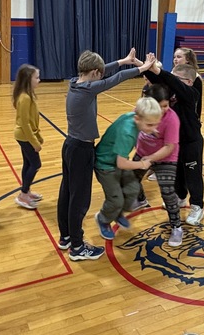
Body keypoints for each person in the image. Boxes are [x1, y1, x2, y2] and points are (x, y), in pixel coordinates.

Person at [58, 48, 155, 261]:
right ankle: (76, 247)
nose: (101, 74)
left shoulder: (75, 81)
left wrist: (123, 60)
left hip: (69, 146)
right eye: (99, 73)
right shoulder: (88, 90)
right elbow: (116, 78)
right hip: (81, 150)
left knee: (66, 193)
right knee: (79, 200)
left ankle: (65, 236)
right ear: (94, 73)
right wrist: (142, 68)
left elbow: (105, 71)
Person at [145, 60, 204, 225]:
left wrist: (160, 71)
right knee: (178, 173)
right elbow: (159, 81)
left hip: (191, 142)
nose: (172, 82)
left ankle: (198, 206)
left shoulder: (191, 93)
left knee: (193, 176)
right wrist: (146, 68)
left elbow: (170, 81)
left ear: (188, 82)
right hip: (176, 142)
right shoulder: (172, 90)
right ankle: (180, 197)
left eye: (176, 79)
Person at [93, 97, 160, 242]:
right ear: (137, 119)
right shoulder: (127, 132)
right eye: (149, 124)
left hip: (116, 162)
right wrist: (143, 164)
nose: (153, 128)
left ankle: (117, 214)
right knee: (115, 200)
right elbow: (122, 163)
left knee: (133, 189)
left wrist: (151, 129)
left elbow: (138, 111)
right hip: (105, 165)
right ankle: (103, 219)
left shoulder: (133, 117)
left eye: (155, 124)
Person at [135, 83, 183, 246]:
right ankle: (141, 200)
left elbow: (169, 147)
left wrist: (150, 159)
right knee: (129, 178)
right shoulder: (142, 112)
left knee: (168, 192)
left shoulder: (171, 119)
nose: (164, 109)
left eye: (166, 105)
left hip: (165, 158)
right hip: (143, 153)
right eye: (160, 106)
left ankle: (176, 227)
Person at [12, 63, 43, 210]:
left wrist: (38, 136)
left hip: (25, 135)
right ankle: (23, 194)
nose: (39, 80)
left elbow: (32, 120)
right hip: (24, 136)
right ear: (28, 80)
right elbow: (25, 124)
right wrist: (35, 142)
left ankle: (26, 191)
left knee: (28, 163)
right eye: (36, 78)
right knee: (36, 164)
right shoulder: (24, 98)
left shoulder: (28, 95)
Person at [173, 46, 203, 119]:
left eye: (179, 57)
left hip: (186, 115)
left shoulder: (195, 77)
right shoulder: (172, 72)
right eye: (174, 57)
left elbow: (197, 102)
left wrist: (197, 118)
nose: (175, 60)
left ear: (187, 60)